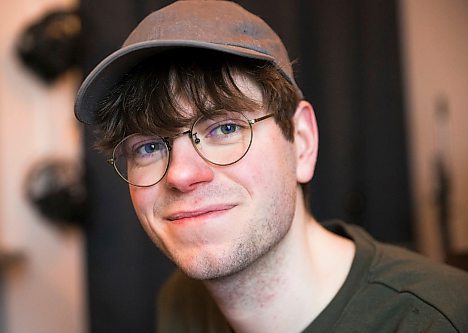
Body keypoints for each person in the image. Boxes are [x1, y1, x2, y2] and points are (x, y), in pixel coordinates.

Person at [74, 1, 468, 332]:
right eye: (147, 147)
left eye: (225, 128)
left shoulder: (440, 318)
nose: (181, 174)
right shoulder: (180, 306)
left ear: (303, 143)